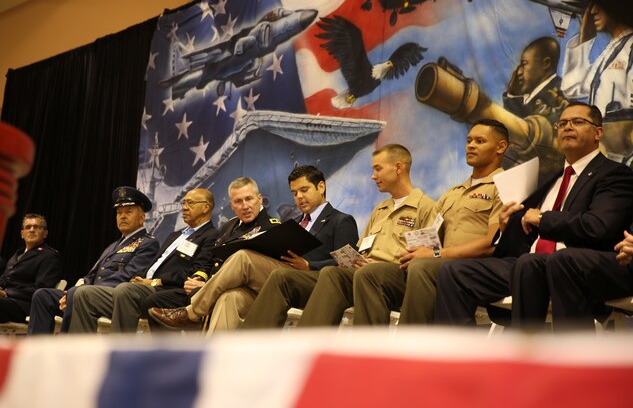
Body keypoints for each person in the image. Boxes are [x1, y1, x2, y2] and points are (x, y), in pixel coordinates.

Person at [434, 102, 633, 329]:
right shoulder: (549, 180)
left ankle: (538, 356)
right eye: (563, 123)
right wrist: (507, 225)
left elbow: (599, 227)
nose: (568, 127)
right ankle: (459, 360)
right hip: (526, 264)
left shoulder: (615, 174)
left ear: (598, 133)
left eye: (578, 122)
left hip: (576, 263)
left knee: (537, 263)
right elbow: (524, 230)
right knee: (454, 272)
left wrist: (543, 218)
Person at [148, 167, 359, 332]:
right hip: (276, 283)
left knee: (243, 257)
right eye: (294, 193)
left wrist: (308, 265)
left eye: (304, 190)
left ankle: (192, 311)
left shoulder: (341, 221)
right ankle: (220, 370)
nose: (299, 197)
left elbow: (348, 266)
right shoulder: (294, 222)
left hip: (310, 284)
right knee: (229, 298)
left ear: (321, 187)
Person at [352, 120, 508, 325]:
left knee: (421, 267)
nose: (470, 145)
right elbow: (429, 238)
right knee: (371, 273)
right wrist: (411, 254)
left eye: (479, 141)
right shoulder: (452, 194)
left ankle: (413, 349)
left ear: (500, 147)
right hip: (439, 264)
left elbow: (491, 243)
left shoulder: (504, 186)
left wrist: (433, 254)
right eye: (469, 140)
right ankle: (369, 353)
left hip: (475, 268)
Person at [280, 144, 436, 327]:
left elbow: (426, 263)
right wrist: (357, 260)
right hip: (366, 272)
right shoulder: (380, 210)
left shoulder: (425, 207)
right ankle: (308, 344)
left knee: (368, 273)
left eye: (378, 168)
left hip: (399, 278)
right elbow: (361, 249)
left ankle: (366, 349)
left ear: (398, 168)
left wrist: (379, 265)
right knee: (332, 273)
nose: (373, 176)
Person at [69, 188, 219, 333]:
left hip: (165, 290)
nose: (184, 208)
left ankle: (120, 355)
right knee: (84, 294)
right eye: (183, 203)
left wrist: (157, 281)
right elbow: (153, 264)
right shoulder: (174, 235)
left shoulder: (212, 235)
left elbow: (196, 272)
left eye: (190, 203)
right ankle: (81, 355)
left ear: (206, 207)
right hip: (143, 286)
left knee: (125, 290)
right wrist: (138, 278)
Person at [143, 177, 280, 332]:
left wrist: (207, 286)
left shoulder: (272, 228)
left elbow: (254, 273)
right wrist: (200, 278)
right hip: (222, 289)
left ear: (259, 199)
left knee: (236, 270)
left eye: (249, 199)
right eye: (238, 202)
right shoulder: (229, 226)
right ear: (232, 205)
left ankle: (192, 313)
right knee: (223, 297)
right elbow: (213, 260)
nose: (245, 206)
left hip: (253, 291)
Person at [28, 187, 159, 334]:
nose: (122, 216)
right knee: (43, 296)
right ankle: (36, 350)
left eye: (128, 212)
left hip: (114, 297)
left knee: (77, 295)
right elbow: (92, 274)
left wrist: (78, 292)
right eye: (119, 212)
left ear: (142, 218)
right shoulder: (113, 246)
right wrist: (78, 287)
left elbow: (128, 276)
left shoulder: (148, 243)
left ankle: (67, 352)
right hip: (88, 292)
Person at [562, 3, 633, 117]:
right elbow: (573, 87)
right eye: (591, 5)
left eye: (600, 3)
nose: (593, 11)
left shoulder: (629, 46)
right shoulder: (612, 50)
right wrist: (585, 39)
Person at [0, 214, 62, 323]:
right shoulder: (17, 255)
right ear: (22, 234)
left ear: (45, 233)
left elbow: (42, 289)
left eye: (37, 227)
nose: (32, 230)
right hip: (6, 302)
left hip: (24, 306)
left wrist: (7, 293)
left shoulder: (49, 256)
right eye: (28, 227)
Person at [504, 37, 568, 124]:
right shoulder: (535, 94)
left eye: (524, 64)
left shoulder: (557, 95)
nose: (519, 72)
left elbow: (522, 129)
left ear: (545, 64)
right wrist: (512, 94)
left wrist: (512, 96)